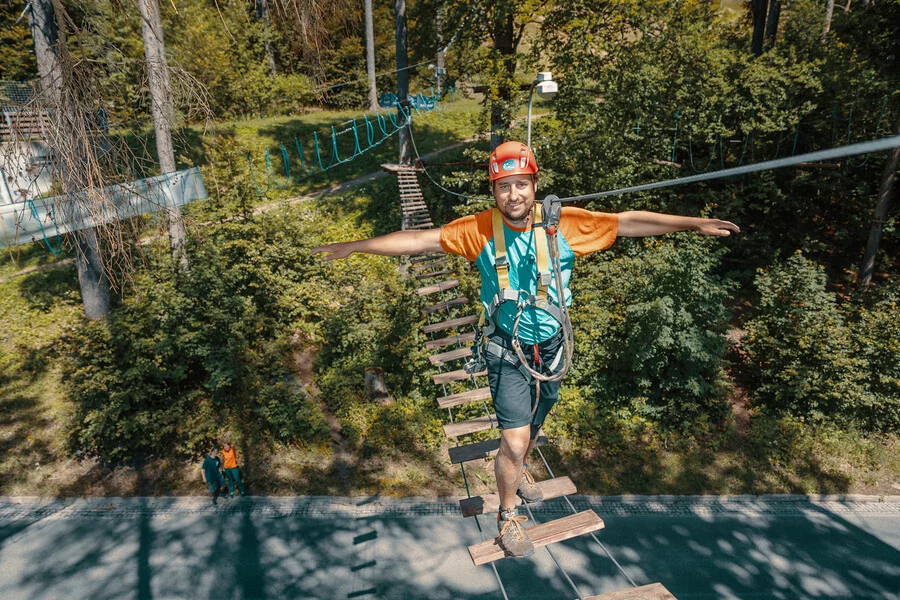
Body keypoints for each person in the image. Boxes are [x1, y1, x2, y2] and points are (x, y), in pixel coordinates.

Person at [312, 141, 740, 558]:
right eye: (504, 186)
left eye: (521, 184)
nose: (513, 194)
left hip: (552, 346)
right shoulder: (478, 229)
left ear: (534, 185)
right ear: (493, 190)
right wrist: (356, 247)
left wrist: (692, 223)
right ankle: (508, 514)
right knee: (514, 442)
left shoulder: (562, 224)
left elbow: (627, 222)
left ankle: (521, 467)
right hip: (506, 349)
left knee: (533, 428)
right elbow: (416, 241)